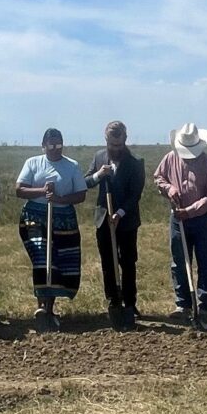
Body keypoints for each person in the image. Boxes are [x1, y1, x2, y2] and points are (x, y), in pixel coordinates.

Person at [16, 128, 87, 330]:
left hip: (63, 219)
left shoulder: (72, 166)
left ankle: (48, 308)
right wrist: (42, 191)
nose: (55, 148)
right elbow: (19, 189)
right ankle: (41, 305)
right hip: (34, 218)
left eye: (59, 144)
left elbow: (81, 194)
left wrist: (59, 199)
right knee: (42, 257)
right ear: (43, 145)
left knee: (57, 262)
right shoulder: (33, 163)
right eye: (51, 145)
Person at [154, 123, 207, 330]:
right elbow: (159, 177)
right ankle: (183, 304)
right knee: (179, 260)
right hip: (178, 218)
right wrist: (169, 189)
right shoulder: (170, 158)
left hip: (203, 219)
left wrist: (190, 211)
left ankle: (206, 306)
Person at [84, 121, 145, 327]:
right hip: (103, 219)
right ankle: (113, 300)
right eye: (112, 144)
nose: (115, 149)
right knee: (108, 262)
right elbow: (86, 182)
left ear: (125, 140)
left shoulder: (135, 163)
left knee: (127, 262)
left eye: (119, 145)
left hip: (126, 221)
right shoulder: (99, 157)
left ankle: (130, 303)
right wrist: (98, 175)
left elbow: (135, 194)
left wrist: (119, 213)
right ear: (106, 140)